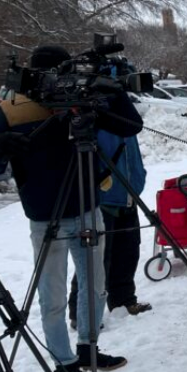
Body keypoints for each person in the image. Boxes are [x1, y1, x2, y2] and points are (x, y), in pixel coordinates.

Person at [0, 46, 142, 372]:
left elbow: (131, 125)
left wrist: (112, 87)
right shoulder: (12, 111)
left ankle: (88, 348)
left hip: (87, 204)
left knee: (96, 285)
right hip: (46, 214)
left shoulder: (81, 100)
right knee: (53, 292)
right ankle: (64, 362)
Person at [68, 130, 153, 327]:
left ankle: (123, 301)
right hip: (102, 199)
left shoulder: (123, 117)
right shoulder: (94, 117)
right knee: (95, 258)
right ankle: (81, 313)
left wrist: (139, 176)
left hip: (128, 195)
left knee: (128, 252)